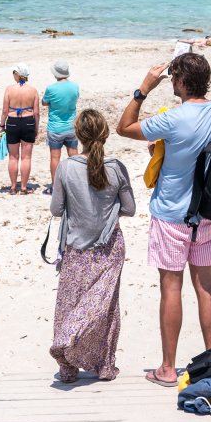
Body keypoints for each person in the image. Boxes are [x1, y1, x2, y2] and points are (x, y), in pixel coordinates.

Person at [116, 52, 211, 387]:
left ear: (180, 82)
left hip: (172, 215)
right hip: (207, 213)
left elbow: (124, 128)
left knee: (171, 287)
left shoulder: (174, 118)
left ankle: (167, 367)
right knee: (205, 285)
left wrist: (143, 89)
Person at [49, 109, 136, 383]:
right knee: (105, 307)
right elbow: (130, 209)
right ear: (105, 134)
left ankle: (68, 365)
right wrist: (108, 212)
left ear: (79, 135)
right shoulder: (116, 168)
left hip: (76, 248)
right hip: (109, 248)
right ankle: (104, 366)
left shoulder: (65, 167)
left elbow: (56, 208)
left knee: (70, 304)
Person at [0, 64, 39, 194]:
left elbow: (5, 111)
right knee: (26, 158)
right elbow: (36, 112)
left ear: (17, 74)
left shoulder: (9, 89)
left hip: (12, 122)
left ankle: (12, 187)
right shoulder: (33, 90)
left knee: (13, 158)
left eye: (13, 72)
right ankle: (23, 187)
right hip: (28, 122)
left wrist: (2, 125)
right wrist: (36, 128)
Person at [42, 60, 80, 190]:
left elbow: (44, 102)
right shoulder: (75, 86)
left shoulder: (51, 88)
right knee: (74, 156)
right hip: (71, 127)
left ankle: (55, 186)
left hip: (55, 128)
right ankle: (77, 183)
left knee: (55, 158)